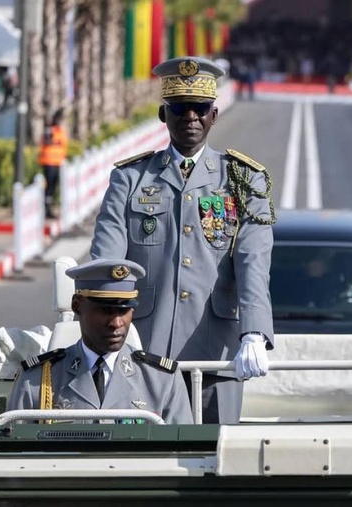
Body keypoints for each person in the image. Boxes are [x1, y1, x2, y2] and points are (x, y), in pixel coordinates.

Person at [90, 56, 276, 424]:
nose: (190, 118)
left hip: (216, 350)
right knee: (144, 464)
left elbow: (253, 260)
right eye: (179, 108)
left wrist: (253, 331)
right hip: (144, 349)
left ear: (214, 115)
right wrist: (106, 332)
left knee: (215, 460)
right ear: (163, 115)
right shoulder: (130, 180)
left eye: (199, 108)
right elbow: (109, 264)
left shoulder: (241, 179)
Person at [7, 259, 193, 424]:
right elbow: (15, 455)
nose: (117, 323)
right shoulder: (36, 381)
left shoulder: (162, 380)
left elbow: (182, 454)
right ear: (77, 306)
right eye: (105, 310)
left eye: (124, 310)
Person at [39, 108, 68, 219]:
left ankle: (50, 207)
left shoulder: (59, 131)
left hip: (57, 162)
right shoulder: (50, 130)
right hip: (49, 162)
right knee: (49, 186)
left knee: (53, 186)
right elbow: (47, 141)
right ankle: (47, 209)